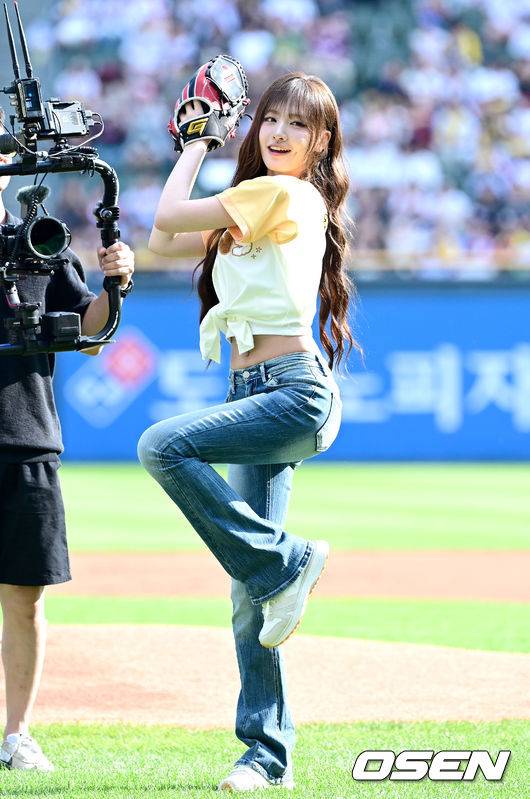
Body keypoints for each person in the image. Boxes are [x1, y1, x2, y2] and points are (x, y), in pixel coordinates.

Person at [139, 70, 357, 792]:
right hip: (251, 392)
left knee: (161, 445)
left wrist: (194, 143)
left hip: (294, 393)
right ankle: (266, 755)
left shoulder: (282, 194)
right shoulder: (255, 206)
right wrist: (199, 143)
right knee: (248, 596)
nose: (279, 133)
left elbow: (169, 213)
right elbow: (161, 239)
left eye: (299, 124)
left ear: (322, 142)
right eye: (270, 119)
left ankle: (288, 561)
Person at [0, 105, 135, 771]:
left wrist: (118, 278)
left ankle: (16, 734)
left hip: (26, 437)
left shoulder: (38, 241)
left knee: (24, 598)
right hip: (27, 441)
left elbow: (89, 332)